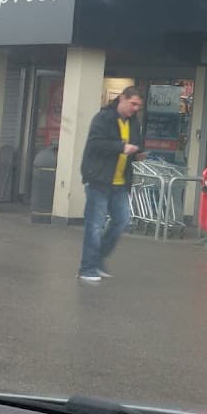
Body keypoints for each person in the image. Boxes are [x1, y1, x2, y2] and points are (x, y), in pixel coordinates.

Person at [77, 86, 147, 283]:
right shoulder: (103, 118)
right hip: (99, 179)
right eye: (133, 104)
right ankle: (87, 267)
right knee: (95, 225)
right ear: (122, 99)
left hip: (120, 181)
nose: (135, 108)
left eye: (138, 106)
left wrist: (137, 153)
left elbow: (134, 145)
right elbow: (95, 144)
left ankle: (98, 259)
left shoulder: (133, 122)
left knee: (122, 221)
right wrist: (121, 147)